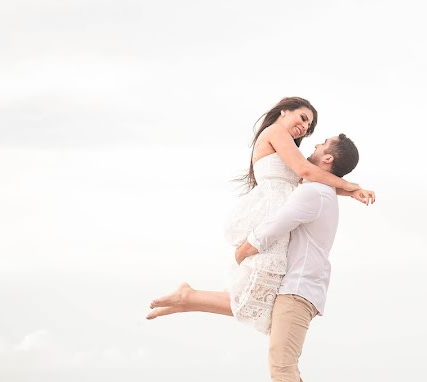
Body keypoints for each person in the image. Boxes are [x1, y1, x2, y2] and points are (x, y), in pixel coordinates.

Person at [151, 133, 363, 382]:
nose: (314, 146)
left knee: (281, 365)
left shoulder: (313, 193)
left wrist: (246, 248)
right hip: (301, 287)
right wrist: (352, 188)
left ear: (328, 160)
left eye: (321, 144)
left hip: (299, 288)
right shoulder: (321, 191)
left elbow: (277, 223)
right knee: (285, 363)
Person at [146, 97, 373, 333]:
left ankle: (188, 300)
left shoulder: (288, 146)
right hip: (270, 210)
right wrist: (351, 186)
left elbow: (311, 177)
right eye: (303, 118)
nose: (305, 127)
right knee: (259, 293)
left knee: (261, 296)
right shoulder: (276, 131)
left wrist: (351, 192)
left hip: (278, 210)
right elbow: (306, 171)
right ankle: (188, 298)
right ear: (284, 111)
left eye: (309, 126)